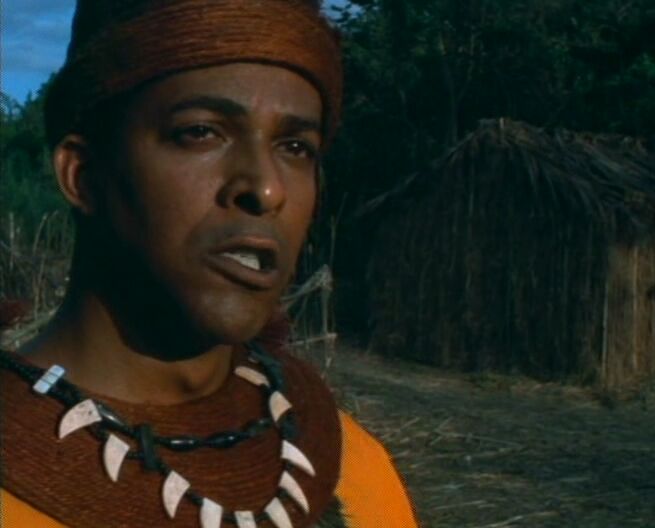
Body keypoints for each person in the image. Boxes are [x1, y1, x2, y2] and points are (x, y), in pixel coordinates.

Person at [0, 1, 419, 527]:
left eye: (295, 146)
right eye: (200, 132)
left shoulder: (357, 471)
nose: (266, 188)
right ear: (82, 175)